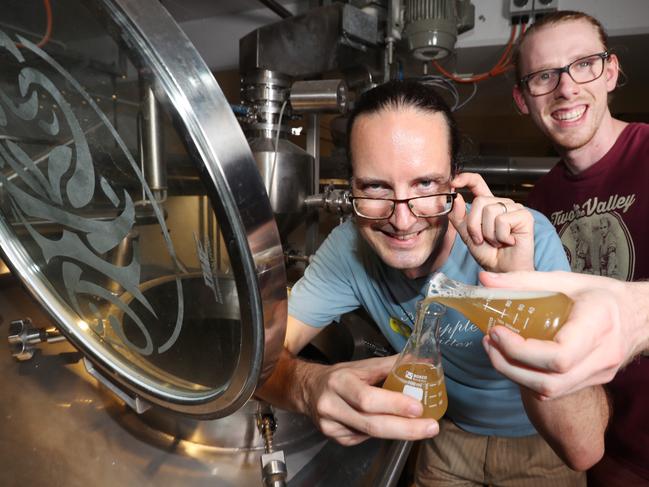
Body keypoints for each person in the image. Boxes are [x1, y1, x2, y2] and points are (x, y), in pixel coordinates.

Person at [256, 79, 608, 485]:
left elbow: (584, 446)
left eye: (424, 184)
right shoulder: (347, 249)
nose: (402, 221)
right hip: (446, 435)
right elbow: (261, 359)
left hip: (540, 442)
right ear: (349, 187)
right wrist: (306, 386)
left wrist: (518, 287)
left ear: (455, 182)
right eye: (375, 187)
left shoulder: (528, 240)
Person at [503, 9, 649, 485]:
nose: (566, 88)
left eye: (583, 64)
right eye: (545, 76)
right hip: (603, 453)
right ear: (523, 100)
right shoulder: (539, 204)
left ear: (610, 71)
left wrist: (632, 314)